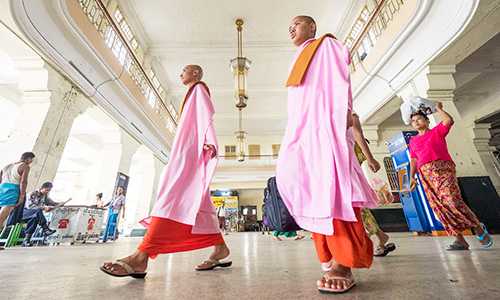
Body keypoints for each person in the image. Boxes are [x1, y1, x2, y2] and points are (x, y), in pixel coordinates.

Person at [276, 16, 378, 293]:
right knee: (300, 183)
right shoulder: (299, 56)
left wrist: (341, 112)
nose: (291, 28)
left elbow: (338, 80)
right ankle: (329, 253)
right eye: (290, 25)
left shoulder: (326, 45)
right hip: (302, 129)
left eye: (297, 24)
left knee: (332, 188)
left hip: (325, 126)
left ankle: (344, 263)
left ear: (312, 28)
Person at [100, 65, 231, 278]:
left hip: (190, 151)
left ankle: (140, 256)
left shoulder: (199, 89)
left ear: (196, 73)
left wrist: (207, 141)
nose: (180, 74)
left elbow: (206, 117)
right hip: (184, 149)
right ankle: (220, 247)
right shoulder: (190, 94)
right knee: (198, 199)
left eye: (185, 70)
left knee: (171, 196)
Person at [409, 101, 492, 250]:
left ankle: (476, 226)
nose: (416, 122)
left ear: (427, 121)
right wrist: (411, 177)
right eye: (413, 121)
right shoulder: (413, 141)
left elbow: (448, 121)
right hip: (426, 176)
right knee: (439, 207)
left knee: (452, 199)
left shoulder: (436, 132)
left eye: (419, 119)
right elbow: (414, 159)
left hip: (443, 169)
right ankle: (459, 239)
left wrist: (439, 109)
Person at [352, 113, 396, 257]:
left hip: (347, 165)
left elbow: (358, 134)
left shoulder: (349, 114)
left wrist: (370, 158)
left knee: (354, 205)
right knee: (354, 206)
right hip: (336, 165)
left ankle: (365, 240)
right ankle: (378, 235)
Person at [0, 152, 34, 250]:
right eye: (31, 160)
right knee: (2, 217)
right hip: (13, 190)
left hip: (2, 189)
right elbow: (23, 181)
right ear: (28, 159)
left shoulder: (7, 166)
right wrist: (22, 195)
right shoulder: (25, 166)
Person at [21, 182, 59, 247]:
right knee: (38, 212)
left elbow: (50, 202)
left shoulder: (44, 196)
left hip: (33, 214)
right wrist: (44, 208)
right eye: (46, 190)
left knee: (34, 218)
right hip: (23, 213)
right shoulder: (32, 194)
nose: (47, 192)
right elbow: (29, 206)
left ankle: (26, 240)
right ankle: (45, 229)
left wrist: (58, 204)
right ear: (41, 188)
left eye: (49, 191)